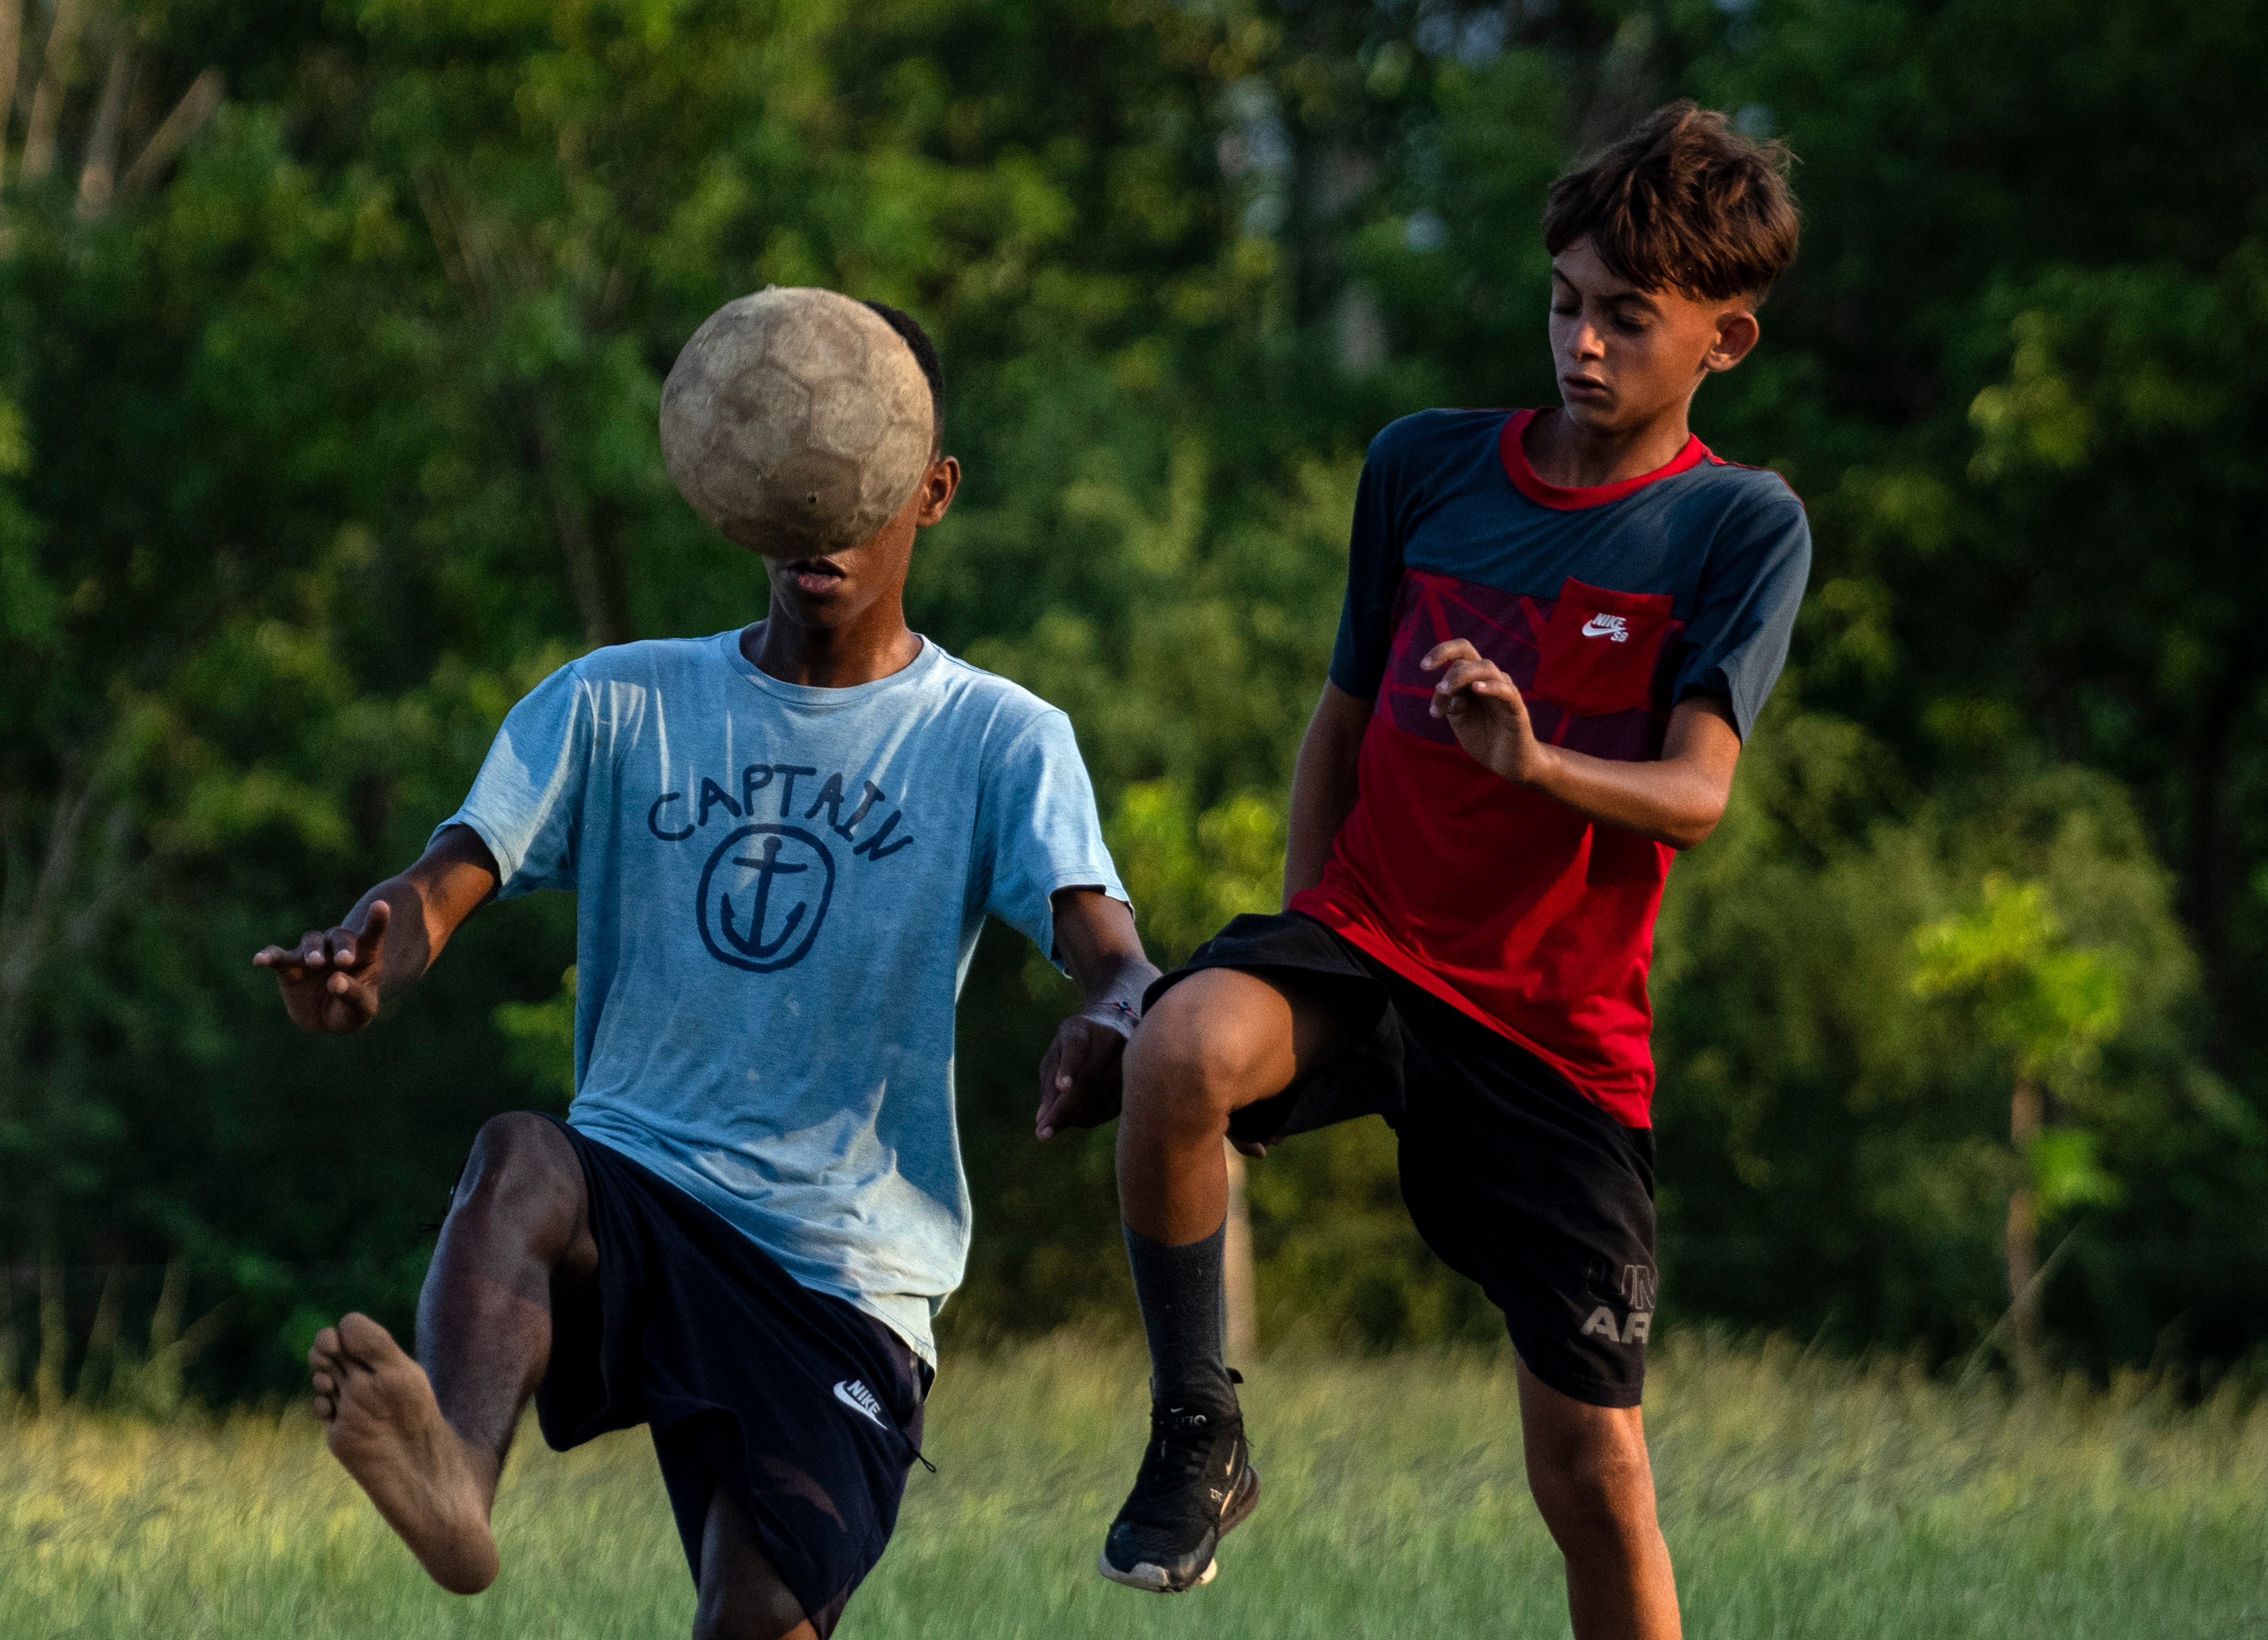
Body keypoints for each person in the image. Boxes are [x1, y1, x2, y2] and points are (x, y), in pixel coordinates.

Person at [254, 301, 1155, 1640]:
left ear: (934, 491)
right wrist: (366, 961)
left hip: (845, 1276)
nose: (821, 506)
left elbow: (1117, 959)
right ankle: (453, 1479)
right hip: (644, 1201)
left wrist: (1124, 1023)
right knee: (521, 1158)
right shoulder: (617, 702)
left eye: (858, 471)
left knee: (757, 1623)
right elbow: (443, 882)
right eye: (790, 461)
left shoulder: (996, 737)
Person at [1094, 104, 1812, 1636]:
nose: (1585, 344)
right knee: (1178, 1046)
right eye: (1566, 302)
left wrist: (1536, 762)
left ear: (1725, 340)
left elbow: (1695, 796)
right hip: (1367, 942)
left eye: (1630, 317)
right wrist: (1289, 937)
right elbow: (1340, 722)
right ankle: (1198, 1432)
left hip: (1555, 1034)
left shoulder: (1736, 525)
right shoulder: (1422, 469)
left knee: (1591, 1472)